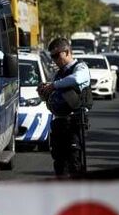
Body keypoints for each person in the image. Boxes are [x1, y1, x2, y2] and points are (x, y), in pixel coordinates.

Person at [37, 37, 91, 178]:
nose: (54, 59)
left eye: (57, 55)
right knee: (60, 165)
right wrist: (44, 93)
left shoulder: (80, 67)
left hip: (74, 122)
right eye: (52, 56)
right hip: (59, 122)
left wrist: (53, 85)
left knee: (75, 163)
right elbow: (53, 97)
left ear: (67, 52)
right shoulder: (58, 74)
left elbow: (77, 79)